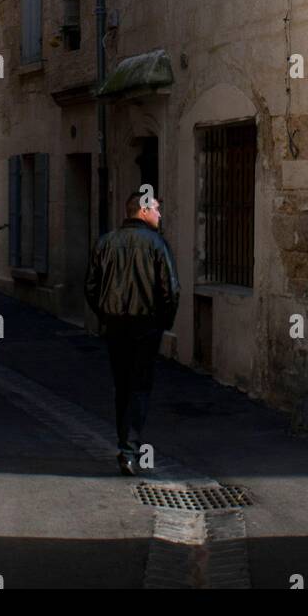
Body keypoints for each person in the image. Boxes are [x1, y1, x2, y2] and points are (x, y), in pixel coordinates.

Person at [84, 190, 180, 475]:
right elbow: (170, 290)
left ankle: (125, 445)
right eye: (157, 210)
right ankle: (130, 449)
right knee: (139, 387)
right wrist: (164, 322)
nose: (160, 215)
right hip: (145, 325)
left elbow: (90, 286)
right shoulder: (157, 244)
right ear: (143, 211)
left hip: (115, 325)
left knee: (123, 385)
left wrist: (104, 315)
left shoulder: (106, 242)